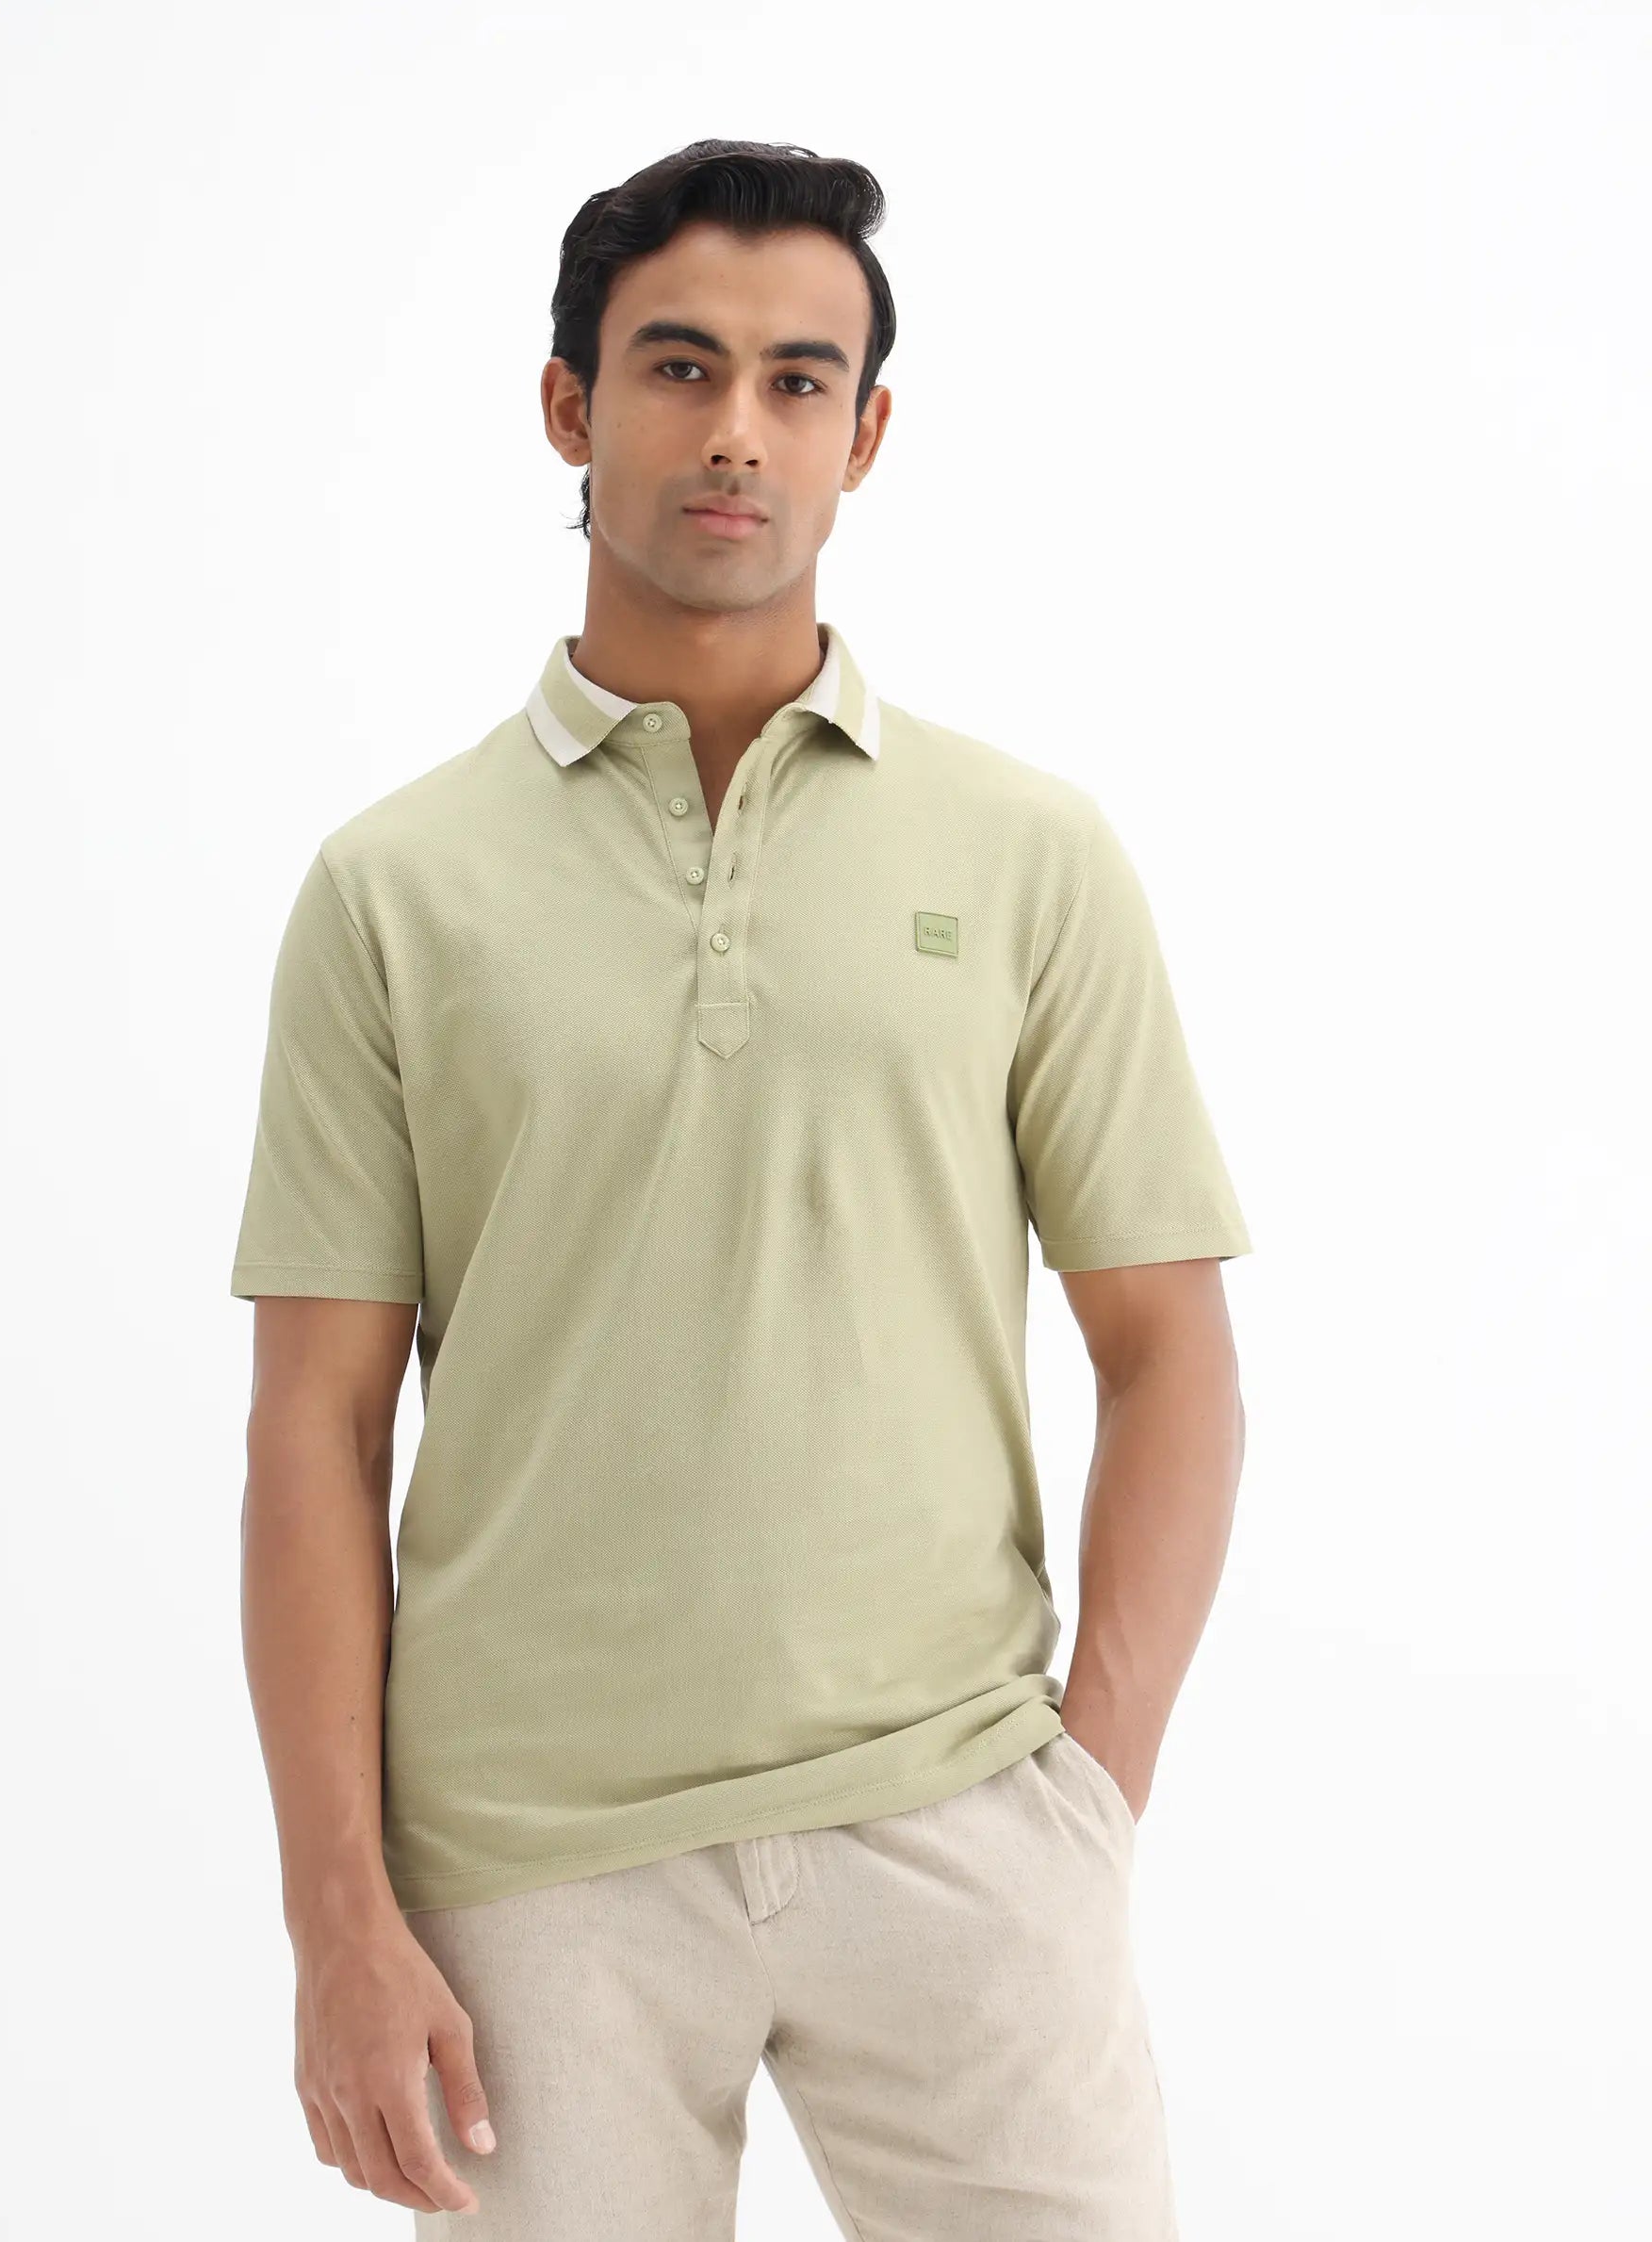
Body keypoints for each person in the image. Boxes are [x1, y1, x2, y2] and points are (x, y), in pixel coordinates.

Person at [230, 137, 1251, 2240]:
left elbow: (1170, 1350)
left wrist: (1088, 1800)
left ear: (864, 438)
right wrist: (341, 1918)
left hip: (958, 1821)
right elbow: (314, 1429)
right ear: (568, 405)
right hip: (531, 1871)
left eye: (799, 382)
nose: (737, 431)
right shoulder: (394, 891)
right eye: (681, 366)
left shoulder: (1028, 854)